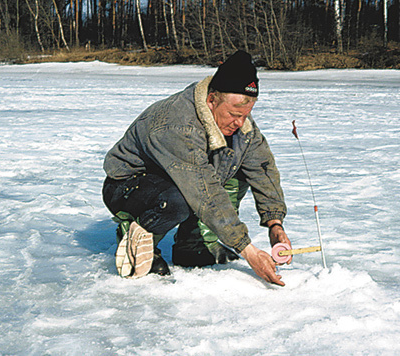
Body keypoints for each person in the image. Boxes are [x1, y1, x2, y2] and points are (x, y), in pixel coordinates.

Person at [102, 50, 292, 286]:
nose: (240, 123)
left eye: (246, 115)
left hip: (177, 181)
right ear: (212, 100)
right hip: (128, 187)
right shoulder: (178, 125)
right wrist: (248, 251)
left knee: (237, 166)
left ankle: (193, 245)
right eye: (234, 114)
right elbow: (203, 191)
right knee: (178, 199)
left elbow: (263, 169)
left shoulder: (241, 127)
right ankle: (137, 241)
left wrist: (275, 223)